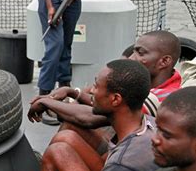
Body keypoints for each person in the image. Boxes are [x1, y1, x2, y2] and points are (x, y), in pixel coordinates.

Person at [11, 59, 159, 171]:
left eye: (96, 86)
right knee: (65, 139)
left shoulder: (124, 160)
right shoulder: (144, 122)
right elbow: (84, 115)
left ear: (115, 99)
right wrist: (52, 100)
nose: (92, 91)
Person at [28, 30, 181, 133]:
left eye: (140, 53)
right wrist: (72, 92)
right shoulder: (151, 84)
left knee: (66, 138)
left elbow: (91, 118)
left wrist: (46, 102)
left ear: (164, 61)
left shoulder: (161, 97)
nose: (131, 58)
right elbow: (108, 104)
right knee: (69, 128)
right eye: (133, 51)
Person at [35, 0, 100, 124]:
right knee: (54, 45)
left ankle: (64, 90)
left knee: (66, 43)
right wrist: (49, 5)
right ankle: (44, 98)